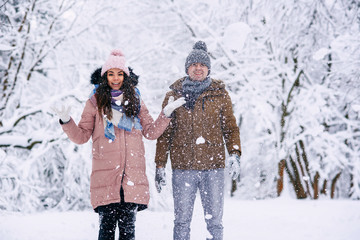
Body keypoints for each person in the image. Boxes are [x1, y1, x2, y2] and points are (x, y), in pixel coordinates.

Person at [53, 49, 185, 240]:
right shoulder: (95, 102)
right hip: (106, 179)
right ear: (105, 76)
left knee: (127, 234)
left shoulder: (136, 100)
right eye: (111, 74)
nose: (115, 78)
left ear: (126, 76)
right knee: (105, 234)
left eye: (120, 74)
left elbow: (150, 132)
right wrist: (67, 121)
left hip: (131, 180)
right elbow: (81, 136)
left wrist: (166, 114)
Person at [154, 41, 241, 240]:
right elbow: (164, 134)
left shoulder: (220, 94)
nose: (198, 68)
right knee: (182, 221)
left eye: (202, 65)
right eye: (194, 65)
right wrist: (160, 165)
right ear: (187, 68)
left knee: (215, 222)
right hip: (183, 168)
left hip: (214, 168)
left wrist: (235, 154)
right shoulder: (173, 95)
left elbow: (230, 128)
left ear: (208, 68)